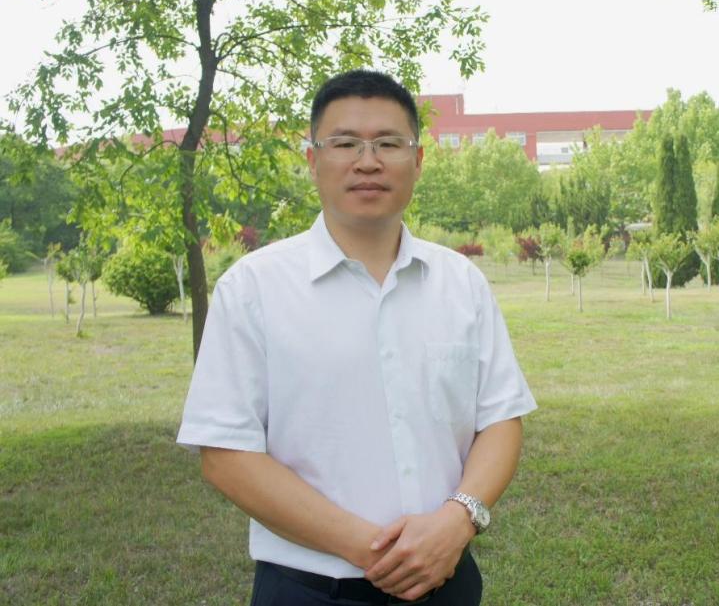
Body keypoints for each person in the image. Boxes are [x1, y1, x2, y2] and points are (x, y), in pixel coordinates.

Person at [176, 69, 537, 605]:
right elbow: (226, 454)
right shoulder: (253, 288)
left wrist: (459, 519)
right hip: (310, 590)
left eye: (388, 144)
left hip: (447, 579)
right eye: (345, 143)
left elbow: (501, 418)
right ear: (313, 160)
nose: (367, 161)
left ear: (417, 160)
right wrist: (379, 553)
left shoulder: (461, 283)